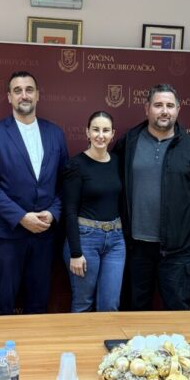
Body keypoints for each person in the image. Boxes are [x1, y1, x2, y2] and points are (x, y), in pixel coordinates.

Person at [115, 83, 190, 311]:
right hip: (136, 248)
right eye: (158, 105)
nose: (164, 111)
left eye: (170, 105)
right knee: (135, 312)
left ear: (178, 109)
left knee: (177, 313)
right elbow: (114, 186)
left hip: (178, 250)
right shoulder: (128, 142)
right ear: (146, 108)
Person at [0, 71, 68, 315]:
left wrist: (53, 212)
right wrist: (21, 217)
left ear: (38, 95)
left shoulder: (55, 133)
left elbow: (65, 182)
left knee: (38, 305)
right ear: (9, 97)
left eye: (29, 89)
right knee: (3, 304)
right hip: (8, 235)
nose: (24, 95)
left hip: (45, 235)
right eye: (17, 90)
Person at [62, 111, 125, 312]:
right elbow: (69, 210)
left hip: (116, 240)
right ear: (87, 132)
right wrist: (75, 252)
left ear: (112, 134)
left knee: (110, 305)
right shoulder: (75, 165)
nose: (100, 135)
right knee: (83, 304)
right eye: (96, 129)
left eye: (106, 130)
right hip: (85, 239)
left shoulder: (117, 162)